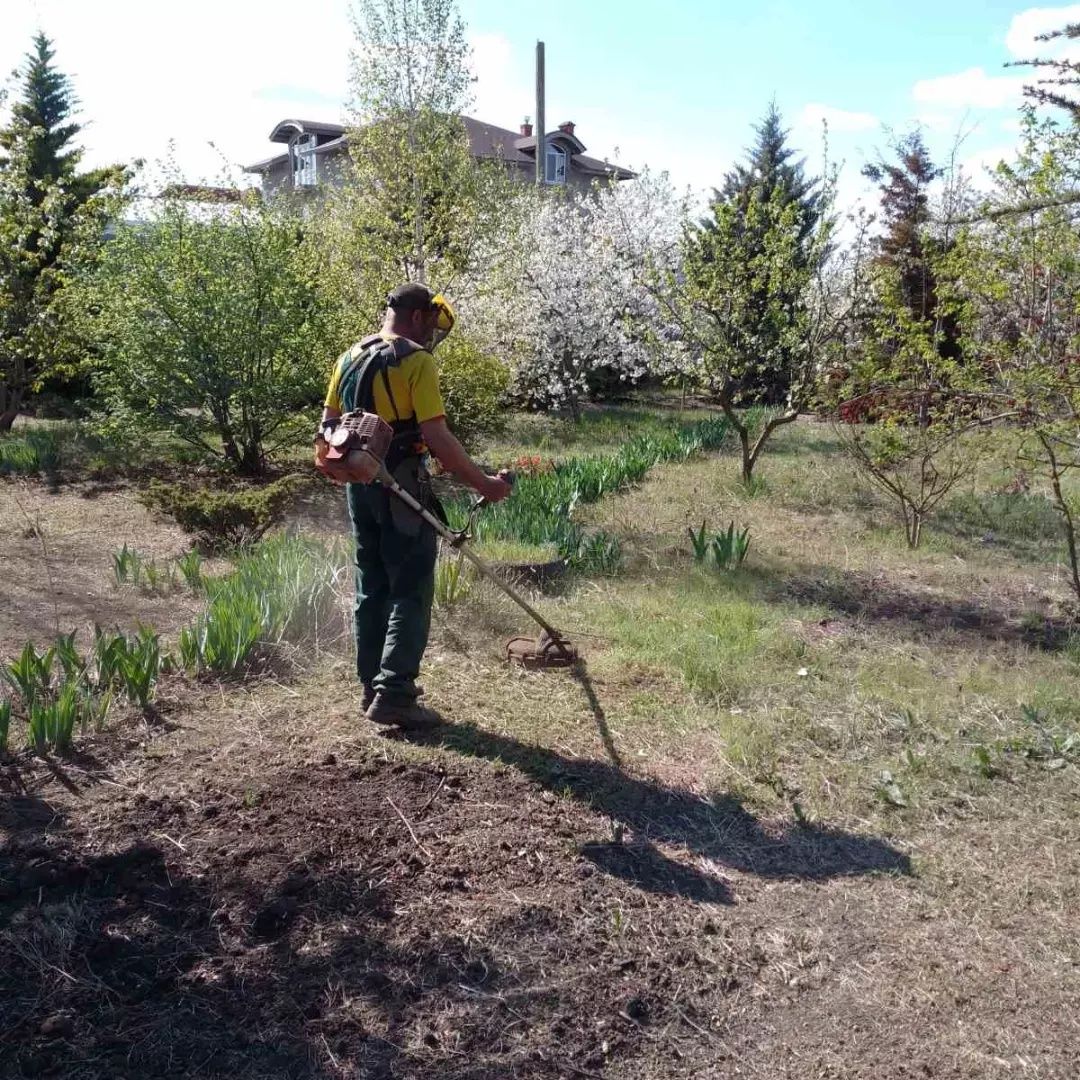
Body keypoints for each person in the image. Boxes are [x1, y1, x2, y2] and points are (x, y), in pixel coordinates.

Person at [319, 283, 511, 729]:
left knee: (372, 585)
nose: (431, 337)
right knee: (410, 585)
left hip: (359, 484)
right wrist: (485, 483)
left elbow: (328, 424)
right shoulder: (416, 362)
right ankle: (395, 695)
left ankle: (372, 685)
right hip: (400, 483)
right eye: (431, 325)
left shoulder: (350, 355)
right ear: (421, 316)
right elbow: (438, 437)